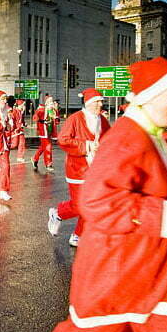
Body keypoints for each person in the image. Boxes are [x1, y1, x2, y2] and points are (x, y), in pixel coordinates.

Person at [48, 57, 167, 332]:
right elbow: (98, 202)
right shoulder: (128, 136)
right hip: (118, 270)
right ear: (150, 97)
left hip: (146, 266)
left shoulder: (151, 133)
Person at [48, 88, 111, 247]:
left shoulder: (102, 120)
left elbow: (110, 139)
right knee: (80, 205)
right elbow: (63, 140)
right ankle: (58, 213)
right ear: (88, 103)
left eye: (101, 101)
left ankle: (77, 235)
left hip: (95, 169)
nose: (100, 104)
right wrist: (87, 145)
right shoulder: (75, 119)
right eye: (97, 101)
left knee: (91, 203)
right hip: (77, 169)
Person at [32, 95, 59, 172]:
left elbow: (57, 122)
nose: (52, 104)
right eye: (50, 102)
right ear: (46, 103)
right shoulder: (42, 110)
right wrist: (39, 118)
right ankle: (48, 164)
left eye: (52, 102)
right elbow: (35, 117)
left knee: (43, 147)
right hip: (43, 131)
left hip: (50, 132)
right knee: (48, 147)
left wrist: (56, 116)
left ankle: (35, 159)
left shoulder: (53, 111)